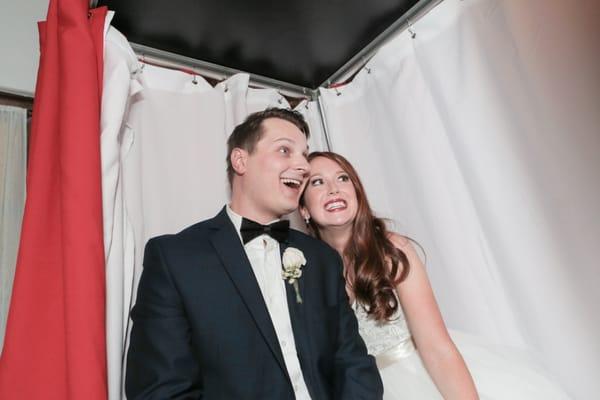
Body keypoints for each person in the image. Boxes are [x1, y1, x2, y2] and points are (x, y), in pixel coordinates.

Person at [125, 110, 383, 399]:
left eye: (303, 155)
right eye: (285, 150)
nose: (302, 165)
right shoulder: (176, 259)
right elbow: (160, 390)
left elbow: (352, 363)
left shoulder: (321, 259)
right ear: (240, 161)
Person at [299, 151, 572, 400]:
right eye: (317, 182)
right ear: (304, 209)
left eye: (342, 178)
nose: (333, 188)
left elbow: (436, 348)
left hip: (421, 381)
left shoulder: (391, 251)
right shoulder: (305, 273)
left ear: (357, 192)